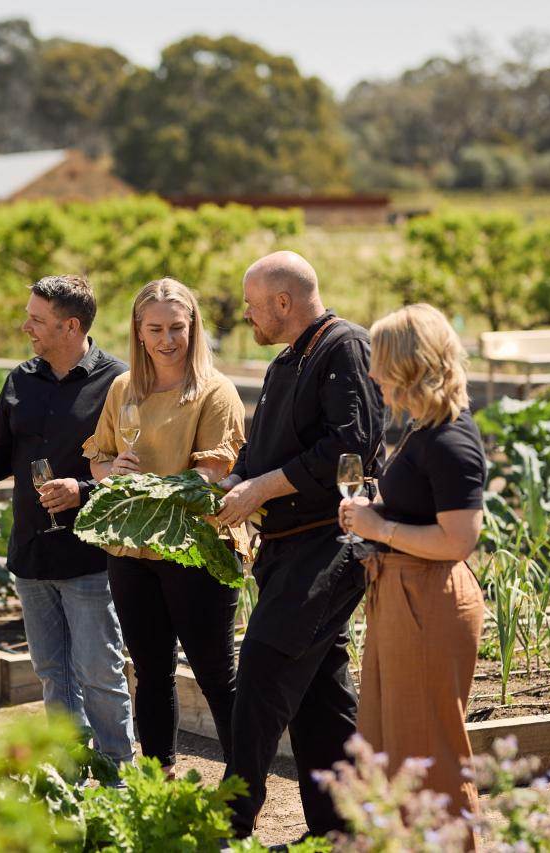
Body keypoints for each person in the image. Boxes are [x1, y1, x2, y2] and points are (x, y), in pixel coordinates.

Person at [216, 251, 384, 841]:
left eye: (252, 304)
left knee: (261, 669)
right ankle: (343, 830)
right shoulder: (288, 359)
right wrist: (231, 481)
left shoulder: (343, 348)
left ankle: (228, 825)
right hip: (287, 549)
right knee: (319, 694)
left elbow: (350, 448)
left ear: (283, 303)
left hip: (330, 546)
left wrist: (260, 485)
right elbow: (267, 452)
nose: (245, 314)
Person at [0, 275, 135, 769]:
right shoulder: (20, 380)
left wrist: (82, 490)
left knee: (99, 672)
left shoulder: (119, 382)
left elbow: (136, 470)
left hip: (91, 553)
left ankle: (117, 772)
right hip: (31, 552)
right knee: (53, 672)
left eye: (36, 319)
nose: (25, 326)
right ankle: (70, 770)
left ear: (71, 327)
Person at [338, 303, 486, 850]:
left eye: (379, 360)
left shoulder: (450, 439)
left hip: (428, 599)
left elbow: (457, 541)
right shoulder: (428, 429)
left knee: (430, 756)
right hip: (404, 594)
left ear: (408, 363)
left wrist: (380, 526)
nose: (372, 372)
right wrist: (379, 511)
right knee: (390, 746)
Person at [84, 278, 245, 775]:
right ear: (138, 330)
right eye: (155, 328)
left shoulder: (215, 392)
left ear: (193, 326)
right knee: (150, 672)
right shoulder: (122, 387)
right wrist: (113, 474)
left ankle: (245, 781)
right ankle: (159, 777)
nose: (167, 339)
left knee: (216, 674)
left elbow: (211, 476)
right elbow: (99, 458)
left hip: (196, 549)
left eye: (177, 327)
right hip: (132, 552)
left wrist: (147, 492)